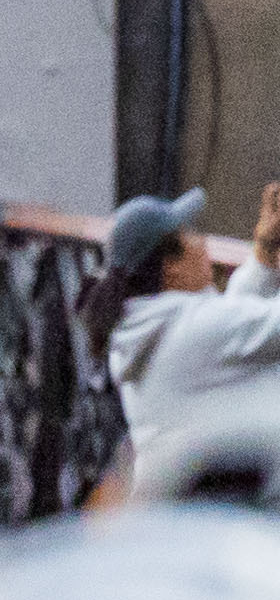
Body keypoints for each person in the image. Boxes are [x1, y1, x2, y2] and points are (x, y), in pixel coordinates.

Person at [105, 184, 280, 488]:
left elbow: (230, 323)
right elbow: (233, 327)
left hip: (189, 517)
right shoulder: (192, 330)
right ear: (170, 266)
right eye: (190, 233)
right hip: (225, 517)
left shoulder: (145, 327)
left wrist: (264, 256)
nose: (202, 241)